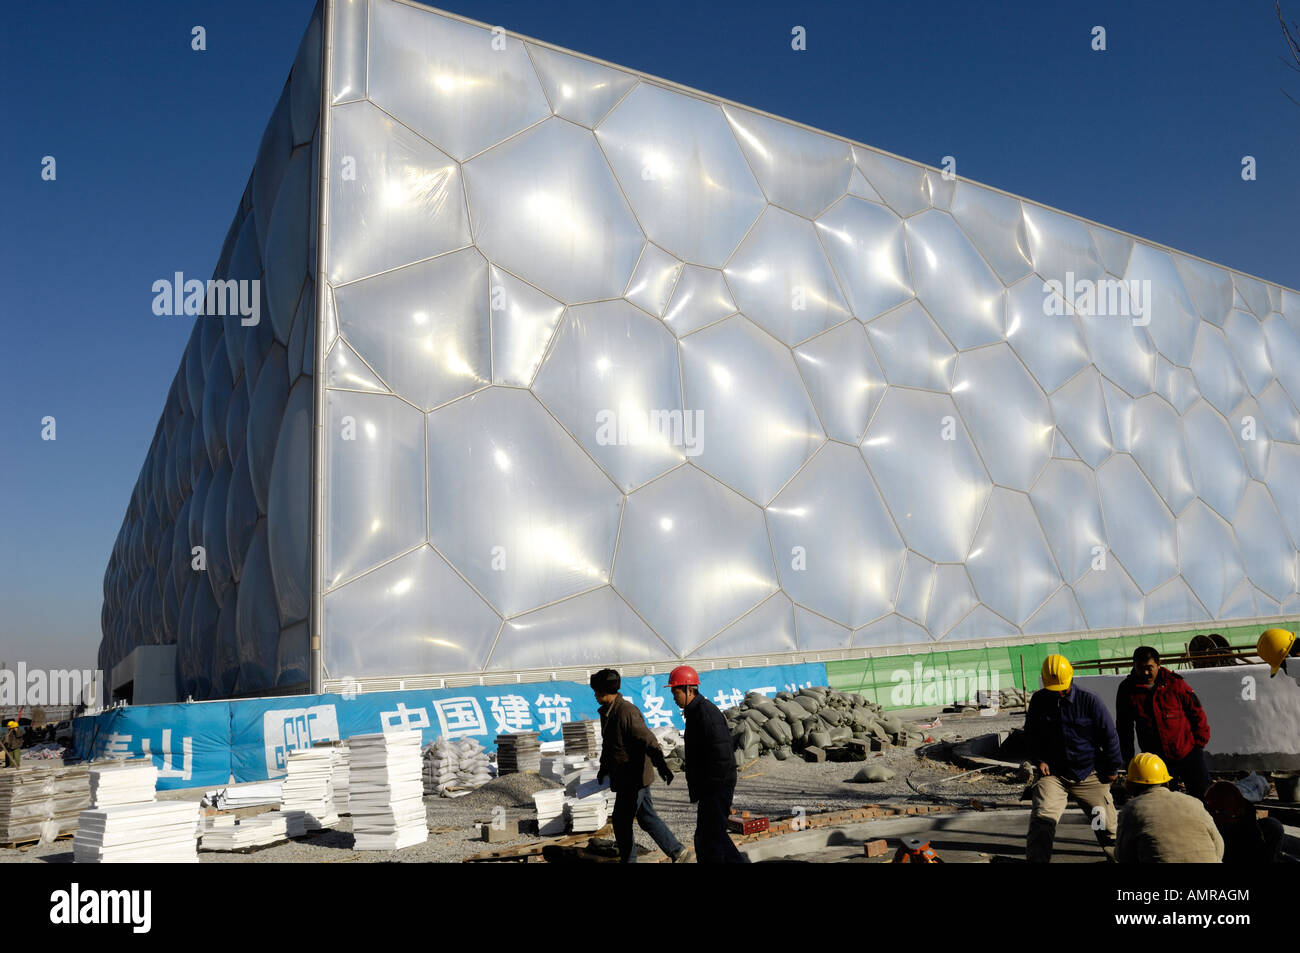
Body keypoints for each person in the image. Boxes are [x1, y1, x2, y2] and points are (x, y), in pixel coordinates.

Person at [1024, 654, 1122, 863]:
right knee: (1043, 822)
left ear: (1070, 678)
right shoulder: (1040, 701)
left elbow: (1109, 735)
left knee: (1103, 824)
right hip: (1055, 776)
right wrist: (1039, 759)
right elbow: (1031, 735)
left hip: (1089, 774)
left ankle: (1115, 859)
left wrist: (1113, 768)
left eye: (1061, 687)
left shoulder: (1089, 700)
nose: (1058, 691)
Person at [590, 669, 689, 864]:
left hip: (634, 777)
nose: (594, 695)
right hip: (626, 775)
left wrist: (662, 766)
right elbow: (609, 745)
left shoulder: (626, 712)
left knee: (620, 821)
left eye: (596, 691)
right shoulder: (607, 713)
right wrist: (604, 767)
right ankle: (678, 852)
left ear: (604, 691)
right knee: (646, 817)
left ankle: (630, 860)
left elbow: (648, 740)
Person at [668, 665, 748, 863]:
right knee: (714, 836)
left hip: (716, 787)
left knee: (708, 839)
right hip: (711, 788)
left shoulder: (706, 714)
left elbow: (721, 755)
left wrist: (710, 788)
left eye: (676, 691)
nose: (674, 697)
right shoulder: (695, 712)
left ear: (689, 690)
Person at [1115, 647, 1212, 799]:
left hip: (1188, 752)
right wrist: (1127, 757)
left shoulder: (1175, 684)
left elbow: (1197, 712)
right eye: (1140, 668)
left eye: (1149, 668)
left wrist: (1199, 744)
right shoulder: (1127, 690)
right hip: (1156, 760)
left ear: (1158, 665)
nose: (1146, 673)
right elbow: (1124, 727)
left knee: (1204, 796)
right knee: (1162, 801)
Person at [1116, 753, 1223, 863]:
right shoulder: (1194, 803)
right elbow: (1219, 846)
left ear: (1130, 786)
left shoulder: (1131, 810)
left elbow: (1123, 856)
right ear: (1166, 781)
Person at [1203, 781, 1283, 864]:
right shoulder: (1207, 816)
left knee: (1273, 826)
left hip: (1246, 850)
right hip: (1223, 851)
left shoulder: (1246, 809)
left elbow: (1254, 841)